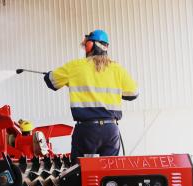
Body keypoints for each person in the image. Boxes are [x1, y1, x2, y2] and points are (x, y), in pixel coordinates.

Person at [44, 29, 138, 162]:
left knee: (81, 172)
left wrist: (49, 74)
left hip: (86, 130)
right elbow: (133, 94)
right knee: (108, 172)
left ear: (90, 45)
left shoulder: (76, 66)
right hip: (111, 130)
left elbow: (51, 81)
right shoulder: (118, 69)